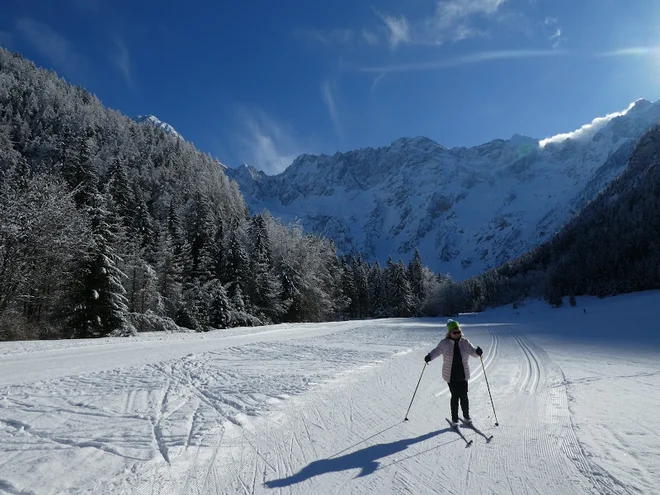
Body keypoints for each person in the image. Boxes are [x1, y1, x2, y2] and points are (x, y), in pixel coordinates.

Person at [424, 319, 483, 426]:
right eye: (454, 332)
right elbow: (436, 351)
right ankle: (454, 419)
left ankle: (466, 416)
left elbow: (473, 352)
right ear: (449, 333)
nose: (457, 334)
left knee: (464, 396)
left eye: (458, 332)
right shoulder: (444, 343)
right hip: (450, 374)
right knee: (455, 396)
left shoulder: (465, 342)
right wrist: (429, 357)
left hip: (463, 373)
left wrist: (478, 352)